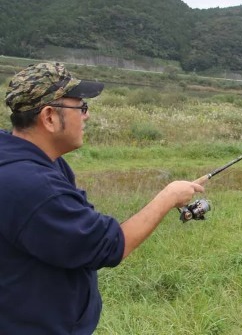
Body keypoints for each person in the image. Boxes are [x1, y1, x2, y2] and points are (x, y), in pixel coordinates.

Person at [0, 62, 204, 334]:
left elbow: (80, 226)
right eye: (80, 107)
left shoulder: (30, 158)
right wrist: (168, 197)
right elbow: (108, 246)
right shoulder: (34, 188)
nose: (87, 116)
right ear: (49, 117)